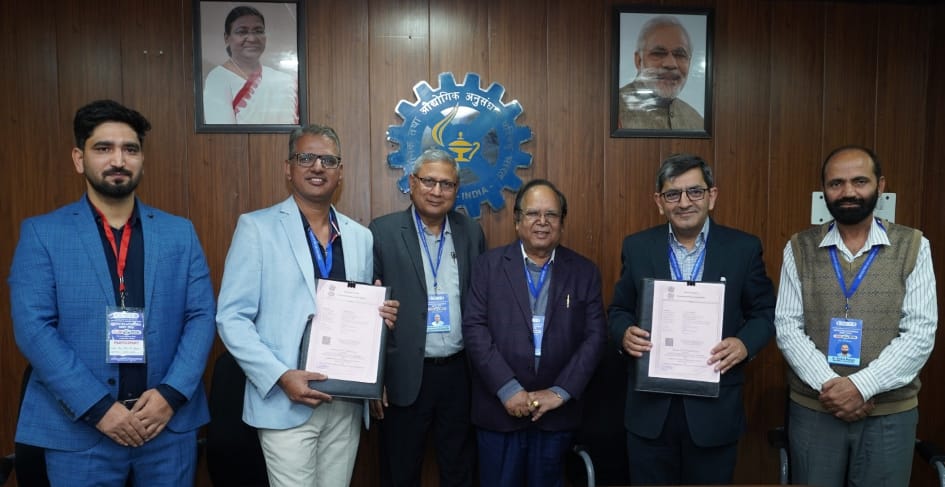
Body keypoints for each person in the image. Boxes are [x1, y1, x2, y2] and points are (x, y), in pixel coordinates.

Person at [9, 99, 216, 486]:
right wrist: (98, 408)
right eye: (103, 148)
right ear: (79, 158)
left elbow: (201, 316)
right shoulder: (43, 233)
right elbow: (33, 329)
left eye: (130, 149)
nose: (118, 160)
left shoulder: (179, 233)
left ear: (142, 159)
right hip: (79, 430)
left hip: (165, 427)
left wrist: (171, 394)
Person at [216, 124, 398, 487]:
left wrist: (379, 318)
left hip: (345, 402)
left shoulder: (360, 237)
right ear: (289, 168)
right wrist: (281, 377)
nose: (317, 167)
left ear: (340, 172)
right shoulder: (257, 228)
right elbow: (231, 318)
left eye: (328, 160)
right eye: (306, 158)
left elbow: (359, 314)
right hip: (285, 401)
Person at [775, 145, 937, 486]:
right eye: (836, 183)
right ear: (824, 190)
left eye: (859, 181)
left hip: (888, 413)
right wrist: (833, 389)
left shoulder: (913, 245)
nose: (848, 192)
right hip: (815, 410)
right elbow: (787, 326)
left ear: (880, 185)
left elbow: (920, 332)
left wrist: (861, 387)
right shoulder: (799, 247)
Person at [609, 153, 775, 484]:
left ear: (712, 196)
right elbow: (618, 310)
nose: (684, 202)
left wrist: (744, 344)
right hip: (650, 412)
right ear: (659, 202)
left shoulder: (742, 249)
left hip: (714, 413)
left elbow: (765, 313)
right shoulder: (638, 247)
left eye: (695, 191)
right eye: (673, 194)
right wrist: (624, 332)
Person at [463, 179, 606, 487]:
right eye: (532, 213)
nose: (542, 222)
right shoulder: (487, 267)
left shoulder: (584, 272)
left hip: (556, 416)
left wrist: (560, 392)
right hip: (498, 413)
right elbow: (474, 329)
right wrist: (507, 388)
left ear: (562, 223)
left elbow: (595, 338)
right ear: (517, 221)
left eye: (551, 214)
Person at [369, 147, 485, 487]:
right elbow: (369, 312)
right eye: (429, 181)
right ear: (411, 183)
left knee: (459, 471)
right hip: (403, 374)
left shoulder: (471, 232)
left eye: (446, 184)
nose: (437, 191)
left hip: (459, 374)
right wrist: (375, 379)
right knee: (400, 472)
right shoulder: (383, 232)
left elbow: (481, 305)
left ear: (456, 189)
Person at [203, 5, 298, 124]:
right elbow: (223, 132)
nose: (252, 39)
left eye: (258, 31)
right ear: (227, 38)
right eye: (242, 32)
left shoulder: (283, 80)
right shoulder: (218, 78)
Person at [618, 15, 703, 130]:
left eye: (680, 54)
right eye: (658, 53)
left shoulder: (697, 122)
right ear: (639, 60)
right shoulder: (610, 110)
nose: (670, 64)